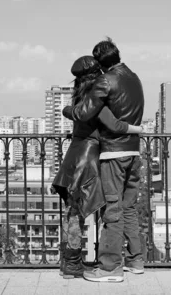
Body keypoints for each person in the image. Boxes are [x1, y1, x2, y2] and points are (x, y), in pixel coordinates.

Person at [52, 55, 143, 279]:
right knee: (108, 210)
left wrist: (66, 110)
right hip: (90, 158)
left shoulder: (80, 96)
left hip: (74, 156)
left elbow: (78, 118)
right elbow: (113, 124)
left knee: (74, 212)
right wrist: (138, 129)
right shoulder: (96, 98)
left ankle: (71, 263)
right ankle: (108, 263)